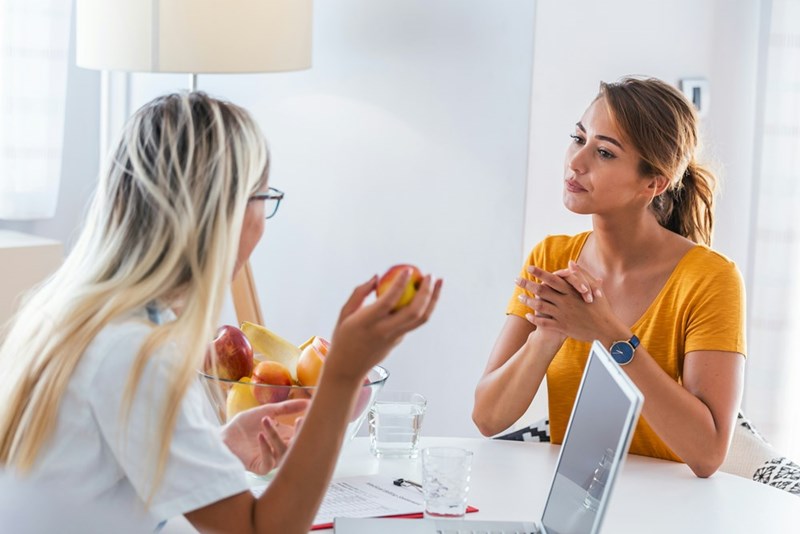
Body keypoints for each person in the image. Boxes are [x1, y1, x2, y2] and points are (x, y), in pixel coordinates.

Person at [0, 92, 442, 533]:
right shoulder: (139, 354)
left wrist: (220, 447)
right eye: (263, 197)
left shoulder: (70, 316)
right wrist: (343, 375)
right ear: (222, 211)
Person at [473, 77, 745, 478]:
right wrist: (549, 333)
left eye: (603, 152)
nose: (576, 162)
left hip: (672, 509)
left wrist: (609, 334)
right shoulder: (552, 257)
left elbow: (707, 454)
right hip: (573, 500)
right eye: (577, 138)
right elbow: (488, 418)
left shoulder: (710, 279)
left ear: (654, 183)